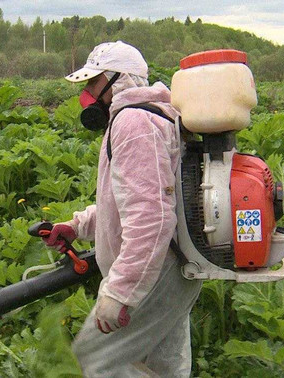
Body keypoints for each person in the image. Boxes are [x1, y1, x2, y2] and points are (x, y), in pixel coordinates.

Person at [44, 41, 202, 377]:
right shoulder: (149, 117)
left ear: (119, 80)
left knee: (93, 360)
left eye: (92, 83)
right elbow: (130, 201)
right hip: (173, 265)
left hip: (156, 271)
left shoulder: (132, 124)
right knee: (164, 367)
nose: (86, 95)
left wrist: (120, 292)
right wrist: (78, 226)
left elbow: (151, 219)